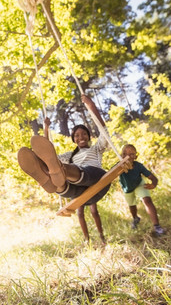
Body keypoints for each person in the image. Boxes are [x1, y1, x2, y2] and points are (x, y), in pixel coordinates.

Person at [17, 94, 112, 244]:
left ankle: (58, 174)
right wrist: (46, 129)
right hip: (82, 193)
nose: (81, 137)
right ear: (73, 139)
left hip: (97, 180)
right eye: (77, 135)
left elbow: (104, 131)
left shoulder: (97, 149)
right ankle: (52, 179)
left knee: (70, 169)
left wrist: (91, 106)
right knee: (60, 177)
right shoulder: (70, 155)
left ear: (89, 136)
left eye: (84, 134)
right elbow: (45, 152)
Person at [119, 144, 165, 236]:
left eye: (132, 154)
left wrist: (153, 184)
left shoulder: (138, 166)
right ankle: (135, 218)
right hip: (127, 188)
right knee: (132, 206)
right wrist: (120, 167)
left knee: (147, 200)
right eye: (126, 154)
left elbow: (153, 178)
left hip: (139, 184)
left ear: (136, 156)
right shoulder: (119, 166)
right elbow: (109, 176)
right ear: (122, 156)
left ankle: (157, 227)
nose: (129, 157)